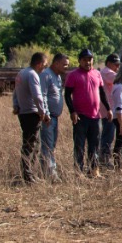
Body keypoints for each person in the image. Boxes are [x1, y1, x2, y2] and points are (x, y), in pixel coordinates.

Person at [64, 48, 110, 175]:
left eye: (89, 59)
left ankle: (93, 171)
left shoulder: (97, 74)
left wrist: (108, 108)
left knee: (94, 145)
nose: (87, 62)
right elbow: (67, 95)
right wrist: (72, 111)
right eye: (84, 60)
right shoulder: (73, 75)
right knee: (79, 145)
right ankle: (78, 172)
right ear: (79, 61)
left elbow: (102, 93)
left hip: (96, 116)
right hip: (80, 117)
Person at [12, 52, 50, 184]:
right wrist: (42, 112)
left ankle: (30, 173)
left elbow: (15, 92)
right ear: (39, 64)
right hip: (32, 113)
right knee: (30, 145)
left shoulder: (21, 73)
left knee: (35, 144)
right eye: (44, 65)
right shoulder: (33, 74)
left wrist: (16, 105)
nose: (44, 68)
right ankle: (27, 175)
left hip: (24, 113)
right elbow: (37, 96)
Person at [39, 52, 70, 180]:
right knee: (47, 145)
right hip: (48, 117)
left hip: (54, 117)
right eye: (64, 65)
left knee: (51, 145)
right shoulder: (46, 75)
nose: (66, 67)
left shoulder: (57, 77)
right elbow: (42, 95)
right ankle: (49, 174)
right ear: (56, 63)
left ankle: (50, 171)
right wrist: (45, 113)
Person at [99, 53, 122, 167]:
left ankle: (103, 158)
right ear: (109, 63)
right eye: (116, 65)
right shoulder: (108, 73)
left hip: (106, 108)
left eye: (119, 65)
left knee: (106, 134)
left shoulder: (106, 72)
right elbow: (121, 79)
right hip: (108, 109)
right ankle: (104, 159)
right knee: (108, 135)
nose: (117, 68)